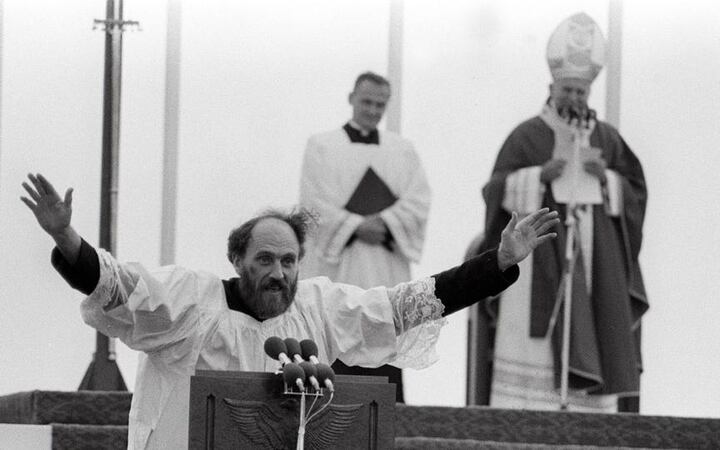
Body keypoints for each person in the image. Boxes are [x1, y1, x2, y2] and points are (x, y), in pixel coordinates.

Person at [20, 172, 558, 449]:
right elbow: (116, 286)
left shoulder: (320, 308)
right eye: (264, 259)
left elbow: (408, 305)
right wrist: (66, 235)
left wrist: (498, 263)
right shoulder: (187, 303)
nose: (278, 273)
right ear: (237, 259)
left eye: (288, 260)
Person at [481, 13, 647, 413]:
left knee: (595, 326)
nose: (574, 98)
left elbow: (636, 188)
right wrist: (539, 176)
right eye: (567, 89)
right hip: (538, 256)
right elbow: (494, 188)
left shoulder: (605, 136)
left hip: (593, 259)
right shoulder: (527, 134)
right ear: (552, 87)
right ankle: (524, 412)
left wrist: (606, 179)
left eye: (580, 91)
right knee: (533, 346)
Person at [299, 71, 431, 402]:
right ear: (352, 99)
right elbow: (313, 204)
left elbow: (419, 201)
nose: (373, 111)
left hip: (384, 264)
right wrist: (356, 226)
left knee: (384, 333)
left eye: (380, 104)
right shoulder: (322, 146)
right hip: (339, 265)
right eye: (367, 102)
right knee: (337, 328)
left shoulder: (402, 150)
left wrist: (384, 221)